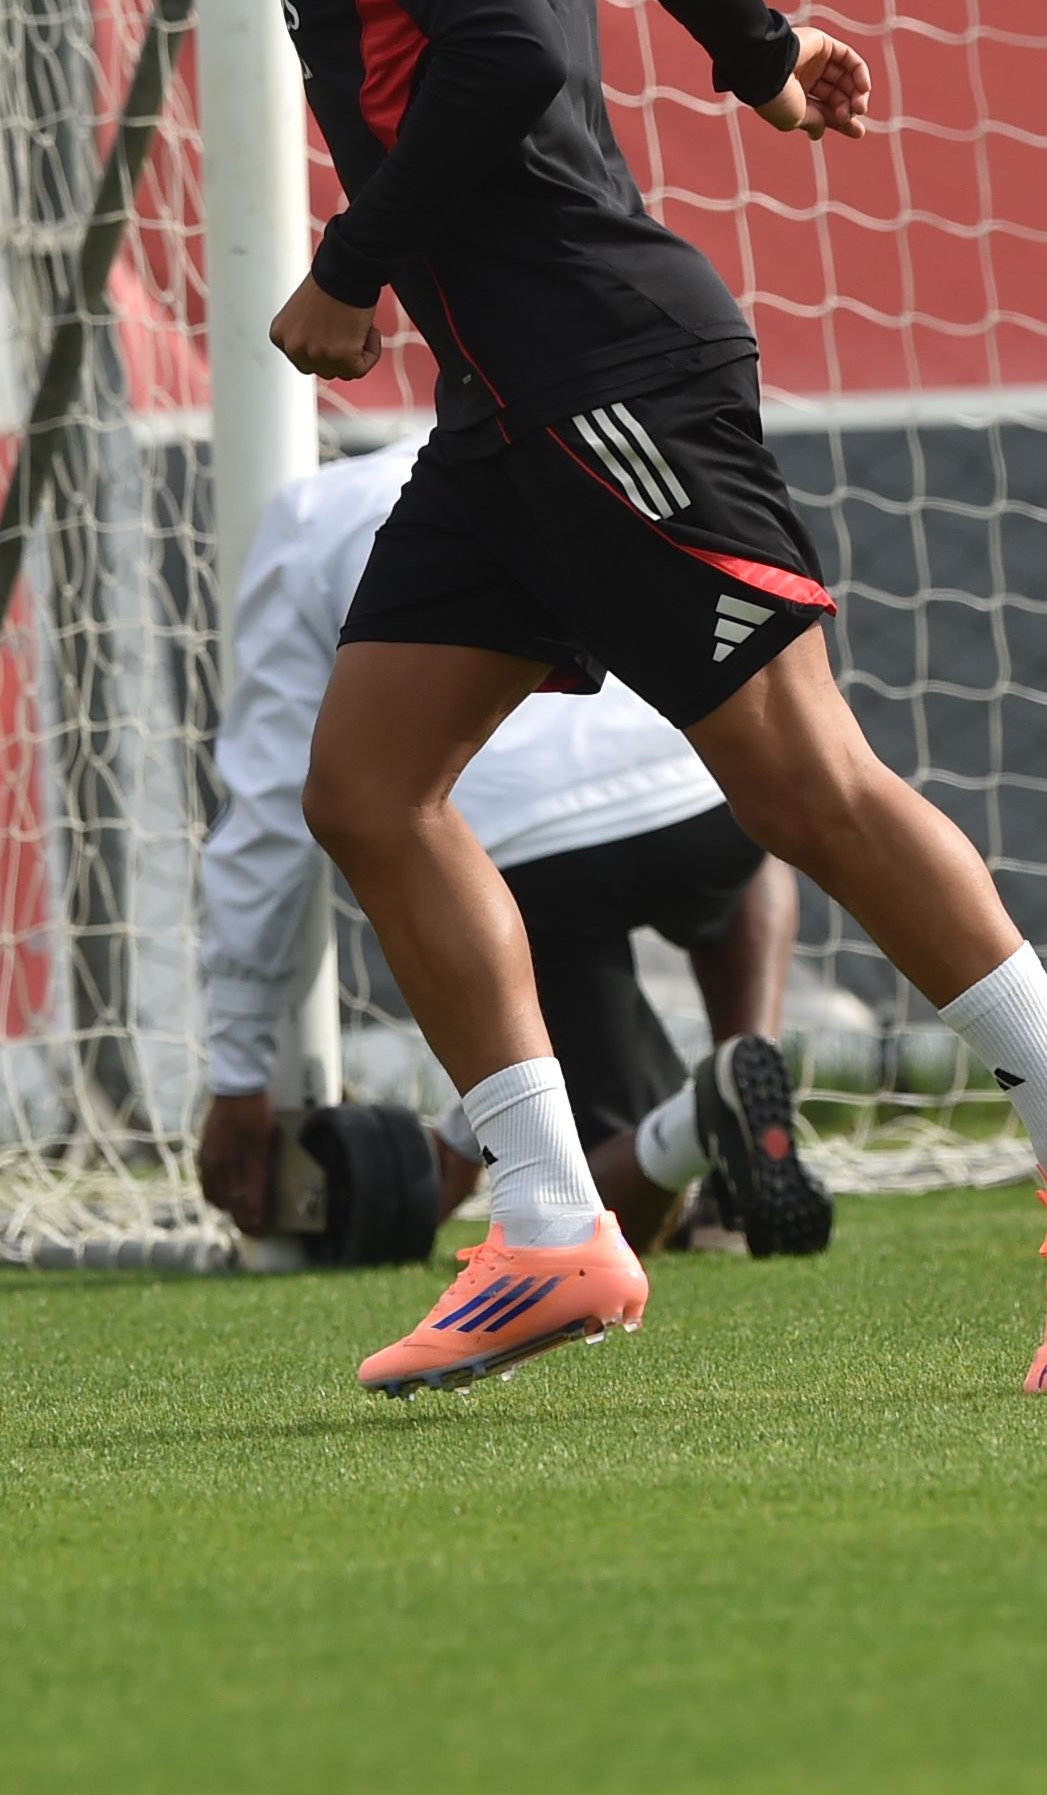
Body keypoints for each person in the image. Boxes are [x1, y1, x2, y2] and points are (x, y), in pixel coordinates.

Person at [103, 0, 1047, 1400]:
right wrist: (762, 54)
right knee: (365, 789)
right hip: (507, 410)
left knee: (807, 788)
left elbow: (499, 55)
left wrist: (351, 269)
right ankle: (552, 1223)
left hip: (602, 372)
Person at [195, 437, 832, 1259]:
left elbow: (271, 819)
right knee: (743, 814)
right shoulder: (555, 438)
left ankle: (699, 1124)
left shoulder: (309, 514)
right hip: (704, 804)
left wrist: (239, 1075)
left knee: (582, 1175)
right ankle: (750, 1070)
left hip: (532, 863)